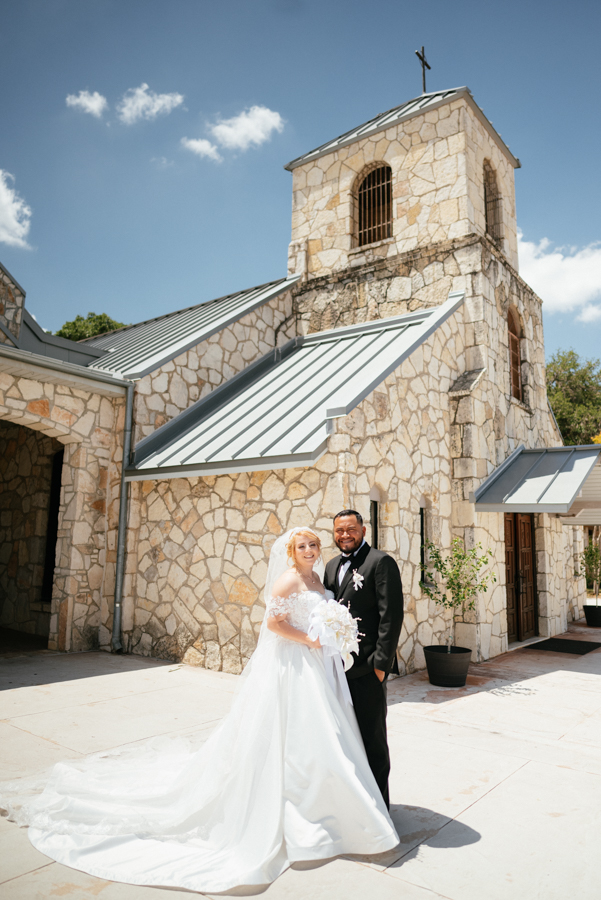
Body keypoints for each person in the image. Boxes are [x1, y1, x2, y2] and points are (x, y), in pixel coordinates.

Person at [0, 527, 398, 894]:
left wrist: (331, 635)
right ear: (290, 552)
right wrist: (311, 639)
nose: (310, 550)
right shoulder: (289, 578)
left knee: (323, 737)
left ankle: (328, 808)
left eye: (313, 544)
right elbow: (274, 623)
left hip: (319, 670)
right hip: (295, 666)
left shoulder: (321, 577)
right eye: (302, 546)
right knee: (291, 738)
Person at [324, 510, 404, 808]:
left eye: (350, 529)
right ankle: (355, 807)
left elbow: (391, 616)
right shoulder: (331, 566)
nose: (345, 535)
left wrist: (381, 666)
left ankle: (380, 808)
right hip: (337, 670)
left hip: (368, 670)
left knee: (372, 741)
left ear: (363, 530)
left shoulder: (380, 563)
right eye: (339, 530)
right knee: (344, 739)